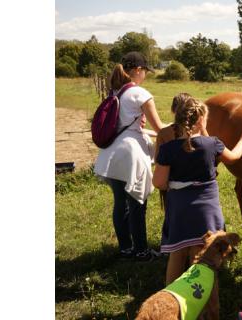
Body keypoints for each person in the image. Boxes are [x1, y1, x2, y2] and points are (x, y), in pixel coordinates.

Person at [152, 96, 242, 285]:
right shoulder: (212, 144)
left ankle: (173, 295)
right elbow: (233, 157)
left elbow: (158, 182)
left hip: (180, 207)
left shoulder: (167, 149)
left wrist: (176, 184)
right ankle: (204, 297)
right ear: (200, 120)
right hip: (207, 208)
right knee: (205, 253)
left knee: (177, 253)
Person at [94, 51, 167, 261]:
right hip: (130, 155)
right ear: (137, 70)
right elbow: (161, 128)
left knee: (120, 203)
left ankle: (126, 248)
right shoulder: (140, 93)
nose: (145, 75)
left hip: (110, 154)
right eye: (145, 71)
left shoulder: (115, 91)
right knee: (137, 203)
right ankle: (142, 251)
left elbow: (129, 126)